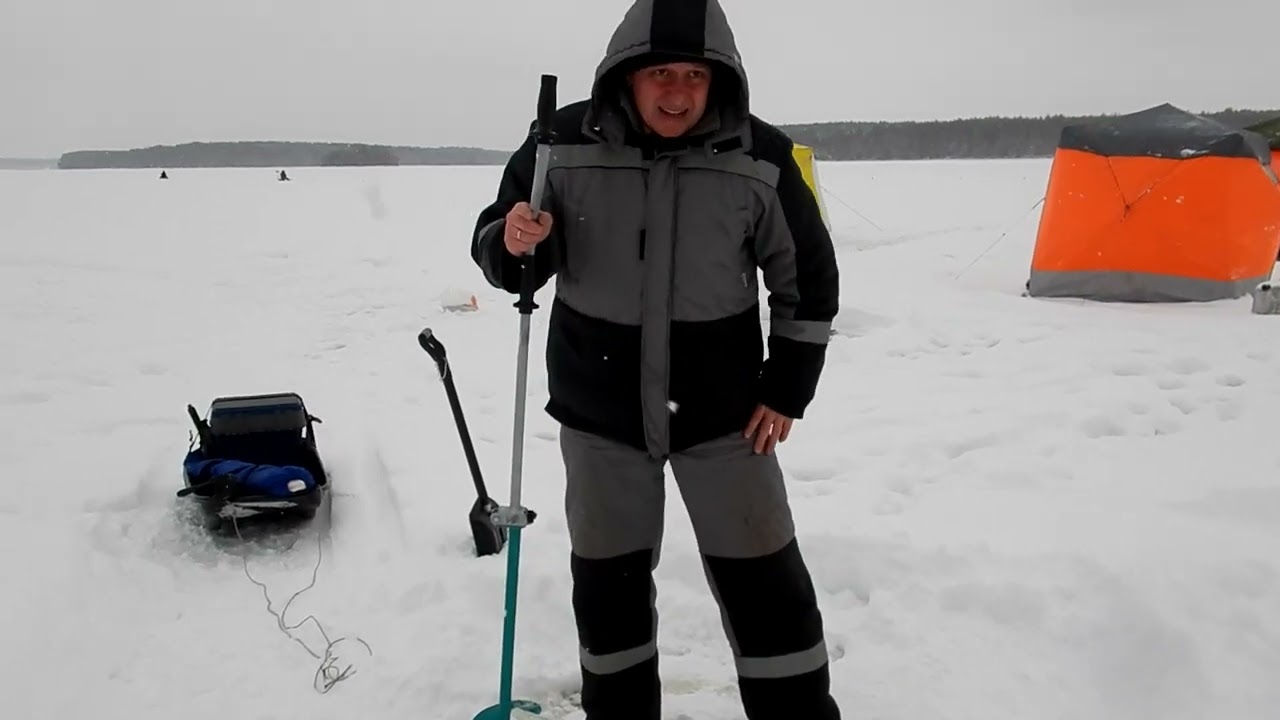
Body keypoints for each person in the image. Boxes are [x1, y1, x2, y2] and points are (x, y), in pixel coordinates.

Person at [470, 1, 841, 718]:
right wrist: (513, 241)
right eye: (662, 74)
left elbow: (809, 278)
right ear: (627, 75)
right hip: (599, 419)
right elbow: (506, 253)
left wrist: (789, 387)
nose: (678, 93)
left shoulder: (760, 157)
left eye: (695, 76)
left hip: (727, 419)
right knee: (608, 599)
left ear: (720, 79)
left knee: (768, 591)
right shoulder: (559, 145)